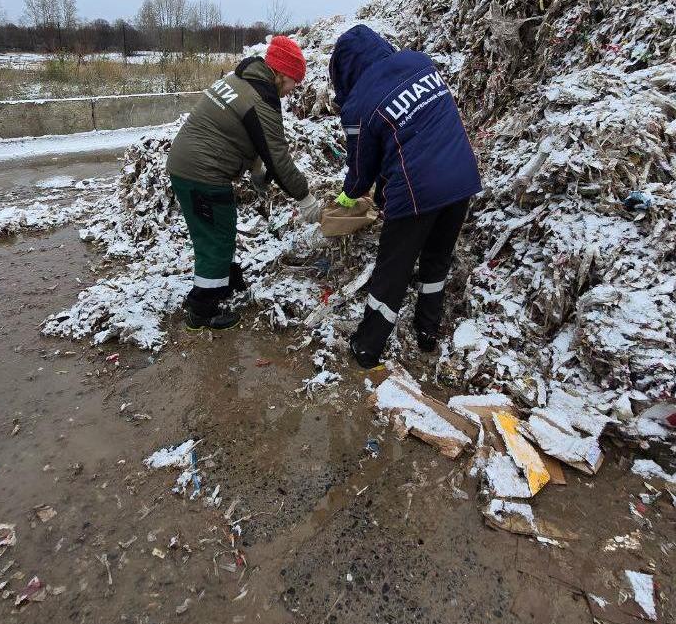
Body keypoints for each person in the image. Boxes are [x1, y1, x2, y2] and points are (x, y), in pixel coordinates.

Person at [328, 24, 483, 368]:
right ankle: (427, 331)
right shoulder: (420, 63)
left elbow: (361, 167)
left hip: (418, 191)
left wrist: (349, 196)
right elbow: (413, 137)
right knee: (437, 258)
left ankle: (367, 347)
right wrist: (384, 191)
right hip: (461, 180)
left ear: (345, 69)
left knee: (392, 272)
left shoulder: (359, 103)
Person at [167, 35, 322, 330]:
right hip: (202, 173)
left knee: (217, 229)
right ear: (279, 73)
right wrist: (306, 199)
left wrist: (255, 172)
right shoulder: (260, 100)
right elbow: (278, 157)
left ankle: (222, 281)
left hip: (188, 166)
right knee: (215, 238)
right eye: (292, 82)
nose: (292, 91)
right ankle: (202, 310)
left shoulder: (241, 81)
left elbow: (243, 134)